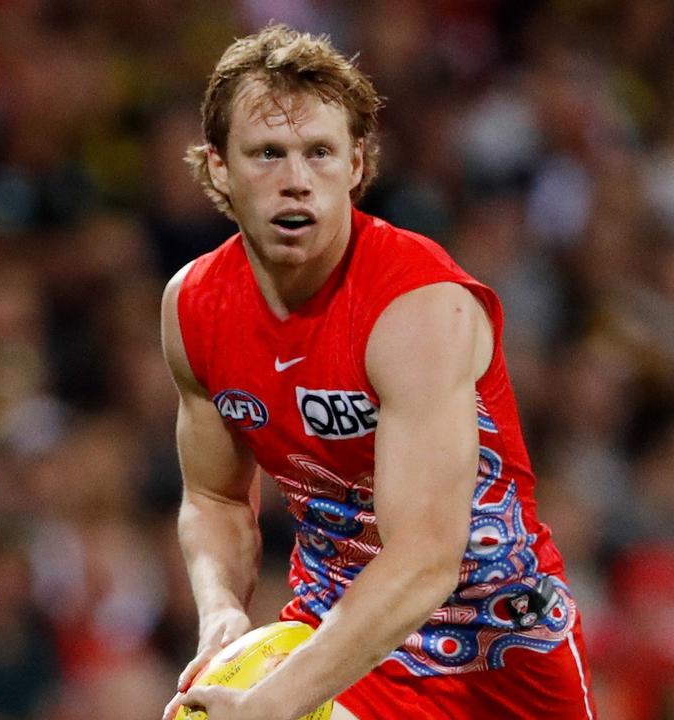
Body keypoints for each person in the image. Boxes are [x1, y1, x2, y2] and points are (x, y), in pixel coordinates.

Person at [161, 24, 596, 720]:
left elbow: (426, 558)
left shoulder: (419, 307)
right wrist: (220, 614)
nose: (296, 181)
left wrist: (277, 703)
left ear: (358, 166)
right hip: (338, 644)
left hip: (498, 658)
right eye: (267, 154)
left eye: (320, 154)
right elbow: (214, 499)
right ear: (219, 167)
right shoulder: (192, 306)